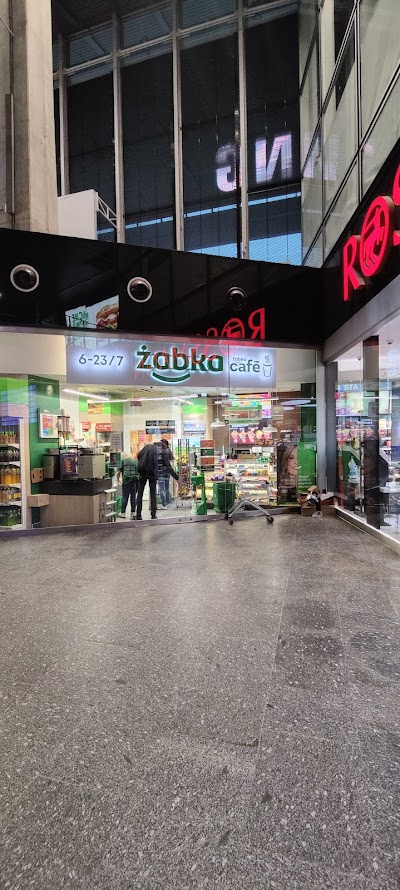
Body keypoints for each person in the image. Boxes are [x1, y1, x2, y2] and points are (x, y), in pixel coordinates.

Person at [136, 440, 178, 520]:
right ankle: (153, 514)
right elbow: (168, 466)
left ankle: (138, 514)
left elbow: (138, 455)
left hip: (142, 472)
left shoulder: (147, 447)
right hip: (152, 473)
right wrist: (176, 477)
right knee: (153, 494)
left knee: (140, 493)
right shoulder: (162, 451)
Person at [116, 453, 139, 519]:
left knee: (125, 496)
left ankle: (123, 513)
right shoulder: (135, 461)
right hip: (135, 480)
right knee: (133, 496)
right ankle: (133, 512)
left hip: (126, 480)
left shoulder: (122, 461)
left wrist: (118, 480)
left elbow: (118, 472)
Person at [157, 438, 173, 509]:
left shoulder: (161, 452)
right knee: (166, 487)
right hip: (167, 471)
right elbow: (172, 459)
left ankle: (164, 504)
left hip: (161, 471)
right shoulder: (169, 451)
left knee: (161, 488)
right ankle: (167, 502)